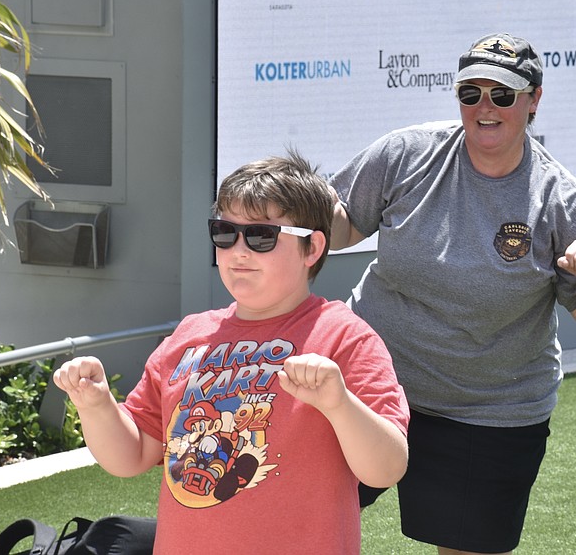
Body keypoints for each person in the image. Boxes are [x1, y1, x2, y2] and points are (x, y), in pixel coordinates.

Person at [328, 33, 576, 555]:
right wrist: (283, 208)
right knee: (296, 520)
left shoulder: (566, 205)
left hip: (489, 412)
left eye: (503, 95)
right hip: (372, 389)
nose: (485, 108)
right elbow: (340, 227)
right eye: (471, 94)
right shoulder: (407, 154)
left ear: (534, 99)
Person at [53, 151, 410, 554]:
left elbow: (386, 468)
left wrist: (339, 404)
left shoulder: (344, 336)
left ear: (312, 248)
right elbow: (130, 456)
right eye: (225, 232)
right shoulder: (189, 336)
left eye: (261, 236)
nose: (238, 251)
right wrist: (97, 404)